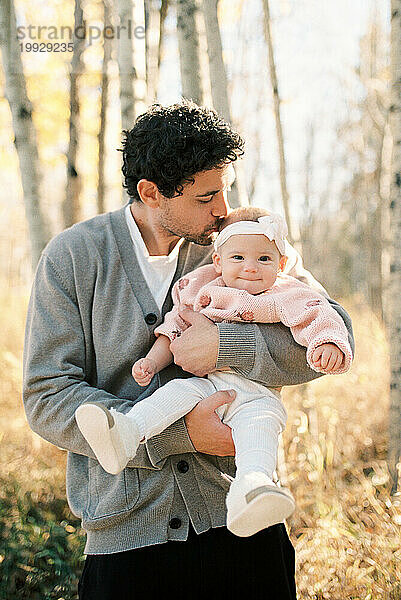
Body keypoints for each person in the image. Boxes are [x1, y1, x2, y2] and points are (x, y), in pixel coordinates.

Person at [23, 101, 354, 600]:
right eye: (206, 197)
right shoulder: (74, 256)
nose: (223, 210)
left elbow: (333, 331)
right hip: (128, 540)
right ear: (152, 194)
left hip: (242, 526)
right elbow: (47, 396)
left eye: (225, 190)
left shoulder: (247, 244)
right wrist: (181, 433)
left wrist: (226, 344)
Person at [75, 207, 353, 538]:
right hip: (208, 387)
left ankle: (251, 491)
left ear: (280, 264)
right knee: (173, 394)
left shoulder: (286, 291)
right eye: (238, 258)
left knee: (259, 432)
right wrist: (152, 360)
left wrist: (327, 343)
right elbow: (174, 327)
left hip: (259, 396)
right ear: (219, 261)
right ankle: (126, 433)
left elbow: (316, 315)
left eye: (264, 259)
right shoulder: (204, 289)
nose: (250, 267)